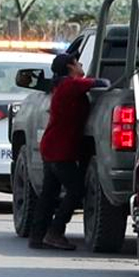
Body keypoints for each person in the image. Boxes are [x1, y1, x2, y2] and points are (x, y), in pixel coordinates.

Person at [30, 53, 109, 249]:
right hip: (59, 150)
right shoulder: (70, 85)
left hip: (53, 147)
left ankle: (37, 235)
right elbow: (102, 82)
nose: (81, 65)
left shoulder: (62, 86)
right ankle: (55, 231)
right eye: (77, 63)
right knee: (76, 190)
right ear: (70, 67)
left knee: (49, 193)